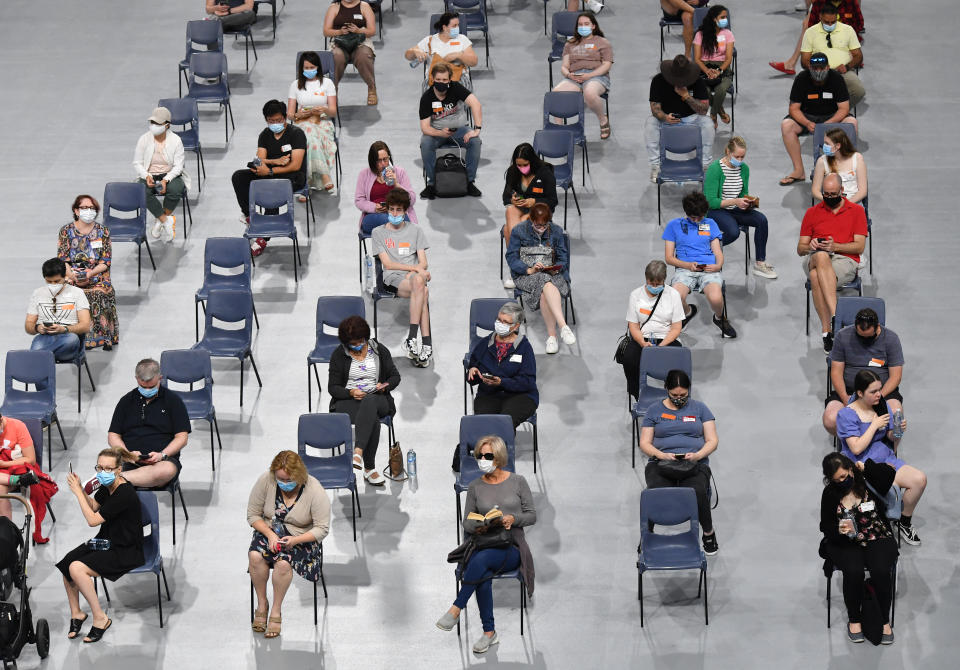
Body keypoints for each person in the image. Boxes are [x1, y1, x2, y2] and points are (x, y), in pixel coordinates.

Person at [435, 435, 536, 655]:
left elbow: (531, 515)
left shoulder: (518, 481)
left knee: (479, 563)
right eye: (480, 456)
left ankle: (456, 609)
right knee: (482, 568)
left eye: (488, 456)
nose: (483, 459)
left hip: (511, 546)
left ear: (498, 457)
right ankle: (489, 633)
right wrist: (481, 524)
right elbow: (467, 521)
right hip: (485, 542)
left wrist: (512, 519)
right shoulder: (475, 486)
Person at [56, 448, 144, 643]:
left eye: (108, 469)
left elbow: (92, 520)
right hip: (106, 541)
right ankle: (77, 613)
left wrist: (78, 493)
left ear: (119, 470)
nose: (102, 472)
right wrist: (81, 488)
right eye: (99, 468)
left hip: (125, 549)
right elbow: (94, 506)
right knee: (67, 563)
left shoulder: (124, 493)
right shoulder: (107, 486)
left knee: (77, 568)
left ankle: (100, 618)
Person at [836, 370, 926, 546]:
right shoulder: (846, 414)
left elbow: (891, 437)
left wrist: (898, 429)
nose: (879, 394)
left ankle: (904, 523)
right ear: (860, 393)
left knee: (919, 480)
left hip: (885, 458)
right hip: (862, 465)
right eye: (873, 392)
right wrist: (874, 425)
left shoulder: (881, 404)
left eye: (879, 389)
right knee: (889, 488)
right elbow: (855, 448)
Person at [247, 450, 331, 638]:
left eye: (288, 480)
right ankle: (262, 603)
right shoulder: (266, 480)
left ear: (299, 476)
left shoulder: (314, 489)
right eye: (280, 479)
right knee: (255, 555)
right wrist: (269, 534)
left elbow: (322, 528)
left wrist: (295, 540)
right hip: (271, 532)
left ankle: (276, 611)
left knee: (283, 564)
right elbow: (252, 515)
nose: (284, 484)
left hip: (302, 537)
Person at [638, 369, 719, 555]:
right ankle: (647, 533)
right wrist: (662, 455)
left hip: (695, 463)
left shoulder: (700, 408)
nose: (679, 398)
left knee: (697, 491)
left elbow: (712, 440)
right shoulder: (654, 410)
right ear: (666, 389)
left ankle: (708, 532)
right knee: (655, 492)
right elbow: (645, 443)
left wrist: (698, 455)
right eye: (674, 395)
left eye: (683, 395)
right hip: (661, 462)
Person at [819, 452, 897, 644]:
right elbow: (825, 526)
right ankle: (854, 619)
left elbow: (889, 474)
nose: (842, 481)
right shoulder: (830, 493)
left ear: (850, 469)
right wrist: (838, 529)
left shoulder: (865, 479)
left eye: (844, 476)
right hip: (846, 541)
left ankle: (884, 620)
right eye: (837, 480)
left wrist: (866, 467)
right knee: (853, 572)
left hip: (876, 534)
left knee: (880, 570)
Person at [796, 172, 867, 352]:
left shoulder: (857, 212)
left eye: (833, 194)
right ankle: (837, 315)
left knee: (815, 276)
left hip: (845, 259)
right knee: (820, 257)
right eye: (825, 194)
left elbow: (859, 247)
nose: (829, 198)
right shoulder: (812, 213)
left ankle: (826, 332)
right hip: (814, 256)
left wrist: (835, 246)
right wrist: (810, 246)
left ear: (842, 191)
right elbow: (800, 249)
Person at [327, 316, 401, 485]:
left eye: (360, 341)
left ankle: (358, 451)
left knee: (370, 402)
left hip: (379, 398)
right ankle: (369, 469)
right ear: (346, 342)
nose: (358, 346)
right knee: (371, 417)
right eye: (353, 343)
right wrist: (351, 392)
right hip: (349, 401)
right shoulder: (339, 354)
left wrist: (385, 386)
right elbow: (333, 388)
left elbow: (395, 376)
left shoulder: (379, 350)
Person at [231, 100, 307, 256]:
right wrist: (274, 162)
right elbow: (260, 160)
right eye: (271, 121)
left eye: (278, 120)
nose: (275, 123)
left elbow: (296, 165)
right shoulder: (265, 135)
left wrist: (271, 172)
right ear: (266, 120)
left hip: (293, 176)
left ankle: (263, 237)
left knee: (271, 188)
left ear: (285, 117)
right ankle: (250, 217)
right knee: (239, 177)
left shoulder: (296, 134)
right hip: (269, 172)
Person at [106, 359, 191, 490]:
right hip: (130, 462)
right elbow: (113, 435)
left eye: (151, 387)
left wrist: (162, 454)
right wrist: (128, 455)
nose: (147, 390)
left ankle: (116, 480)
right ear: (136, 379)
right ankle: (121, 479)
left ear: (160, 378)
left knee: (166, 470)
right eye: (143, 386)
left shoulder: (173, 401)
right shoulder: (126, 401)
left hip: (163, 462)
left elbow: (182, 437)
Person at [663, 192, 737, 338]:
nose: (697, 220)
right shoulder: (673, 226)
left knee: (716, 298)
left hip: (709, 269)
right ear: (686, 212)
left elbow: (718, 252)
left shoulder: (710, 224)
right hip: (685, 269)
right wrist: (687, 265)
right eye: (693, 217)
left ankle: (719, 318)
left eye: (700, 217)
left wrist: (718, 266)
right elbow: (669, 258)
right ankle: (688, 312)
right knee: (675, 297)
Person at [505, 203, 577, 354]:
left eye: (545, 225)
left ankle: (552, 336)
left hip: (553, 275)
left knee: (545, 287)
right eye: (538, 225)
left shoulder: (556, 231)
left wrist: (552, 268)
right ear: (531, 220)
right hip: (527, 276)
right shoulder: (519, 231)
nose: (542, 228)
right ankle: (563, 326)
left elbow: (563, 259)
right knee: (543, 281)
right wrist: (529, 269)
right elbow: (511, 258)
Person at [779, 52, 857, 186]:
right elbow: (794, 108)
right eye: (815, 68)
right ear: (810, 67)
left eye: (822, 68)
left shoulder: (836, 78)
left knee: (852, 123)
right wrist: (807, 122)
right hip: (808, 118)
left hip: (832, 117)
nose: (818, 71)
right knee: (787, 125)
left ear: (828, 67)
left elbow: (844, 108)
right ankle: (799, 171)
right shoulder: (802, 79)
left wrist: (828, 124)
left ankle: (844, 170)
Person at [704, 137, 776, 279]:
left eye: (743, 157)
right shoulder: (715, 169)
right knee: (733, 232)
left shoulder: (744, 169)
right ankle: (708, 250)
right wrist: (735, 201)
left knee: (762, 220)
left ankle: (760, 263)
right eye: (737, 156)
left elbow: (743, 193)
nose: (740, 160)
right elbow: (710, 202)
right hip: (717, 210)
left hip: (735, 208)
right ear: (728, 152)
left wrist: (747, 202)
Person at [823, 308, 903, 435]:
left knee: (896, 422)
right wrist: (845, 398)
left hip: (881, 393)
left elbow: (896, 377)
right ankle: (851, 443)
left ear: (877, 327)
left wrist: (877, 396)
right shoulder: (842, 336)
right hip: (850, 392)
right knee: (830, 419)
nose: (864, 341)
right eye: (861, 336)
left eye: (869, 337)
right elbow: (836, 372)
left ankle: (888, 452)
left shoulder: (891, 339)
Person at [371, 206, 433, 367]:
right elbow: (388, 264)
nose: (394, 213)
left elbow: (423, 262)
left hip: (413, 277)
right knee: (423, 290)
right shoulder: (378, 232)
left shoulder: (416, 230)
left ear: (406, 211)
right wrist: (416, 269)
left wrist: (419, 270)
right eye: (391, 209)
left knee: (420, 285)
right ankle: (426, 344)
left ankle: (412, 339)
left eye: (399, 210)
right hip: (392, 278)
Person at [57, 195, 119, 351]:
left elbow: (105, 261)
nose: (89, 211)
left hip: (96, 274)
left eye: (92, 208)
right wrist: (73, 276)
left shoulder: (103, 231)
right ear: (76, 211)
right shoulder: (66, 231)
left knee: (96, 294)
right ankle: (72, 336)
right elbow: (63, 260)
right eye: (84, 208)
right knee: (67, 291)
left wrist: (90, 274)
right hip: (72, 275)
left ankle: (101, 337)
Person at [466, 302, 538, 431]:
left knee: (505, 424)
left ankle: (503, 451)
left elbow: (528, 381)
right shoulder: (484, 344)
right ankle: (488, 451)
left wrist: (502, 382)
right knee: (484, 425)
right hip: (489, 395)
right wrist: (473, 373)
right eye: (499, 320)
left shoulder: (524, 347)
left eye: (505, 322)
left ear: (516, 326)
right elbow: (472, 373)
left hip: (520, 396)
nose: (500, 324)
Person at [620, 260, 685, 400]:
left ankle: (673, 396)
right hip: (642, 339)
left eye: (658, 283)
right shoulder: (635, 295)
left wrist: (661, 347)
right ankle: (638, 395)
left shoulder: (673, 295)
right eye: (651, 283)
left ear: (664, 280)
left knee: (679, 362)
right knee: (629, 359)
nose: (654, 286)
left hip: (667, 339)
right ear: (646, 279)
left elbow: (676, 327)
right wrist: (643, 344)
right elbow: (634, 326)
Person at [418, 62, 483, 199]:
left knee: (475, 142)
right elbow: (425, 127)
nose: (442, 83)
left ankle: (469, 181)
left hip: (459, 129)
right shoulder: (427, 98)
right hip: (437, 132)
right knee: (426, 143)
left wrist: (476, 129)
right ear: (433, 79)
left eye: (445, 80)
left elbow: (475, 104)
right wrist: (440, 133)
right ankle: (432, 184)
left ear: (450, 80)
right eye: (438, 80)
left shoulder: (456, 88)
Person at [646, 55, 714, 183]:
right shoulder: (658, 81)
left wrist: (686, 96)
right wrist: (665, 117)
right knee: (650, 123)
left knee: (708, 123)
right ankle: (655, 166)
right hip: (666, 120)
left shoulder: (697, 81)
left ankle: (705, 165)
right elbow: (655, 108)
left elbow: (704, 110)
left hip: (692, 119)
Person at [553, 10, 613, 139]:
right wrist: (569, 75)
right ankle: (560, 129)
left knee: (589, 93)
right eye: (580, 24)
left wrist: (589, 76)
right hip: (575, 76)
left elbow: (607, 65)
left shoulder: (603, 42)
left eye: (586, 24)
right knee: (556, 93)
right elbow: (564, 66)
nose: (583, 27)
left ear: (593, 26)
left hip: (596, 75)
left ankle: (603, 120)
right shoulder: (570, 43)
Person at [133, 107, 189, 243]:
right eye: (152, 123)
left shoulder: (176, 141)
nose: (154, 126)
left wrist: (166, 179)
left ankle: (159, 222)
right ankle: (165, 220)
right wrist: (146, 175)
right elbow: (137, 163)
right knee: (141, 192)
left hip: (170, 174)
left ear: (167, 125)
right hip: (149, 174)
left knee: (176, 190)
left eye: (158, 124)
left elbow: (178, 166)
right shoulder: (144, 139)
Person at [287, 51, 338, 195]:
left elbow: (333, 111)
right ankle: (324, 175)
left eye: (312, 67)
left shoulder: (327, 83)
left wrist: (324, 109)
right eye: (306, 68)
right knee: (307, 132)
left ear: (318, 67)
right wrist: (299, 114)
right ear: (301, 69)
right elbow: (290, 114)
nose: (309, 71)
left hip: (322, 122)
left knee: (309, 136)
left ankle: (306, 182)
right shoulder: (295, 85)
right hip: (302, 122)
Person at [770, 0, 864, 76]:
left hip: (843, 40)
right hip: (822, 38)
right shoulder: (819, 4)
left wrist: (849, 40)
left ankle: (791, 63)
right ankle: (791, 63)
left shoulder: (851, 4)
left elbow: (859, 24)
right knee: (807, 25)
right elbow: (811, 28)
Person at [25, 257, 91, 363]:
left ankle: (34, 359)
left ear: (65, 277)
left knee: (71, 340)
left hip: (69, 335)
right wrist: (37, 328)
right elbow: (28, 325)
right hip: (45, 337)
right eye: (49, 281)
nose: (53, 284)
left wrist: (64, 329)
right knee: (37, 343)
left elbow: (86, 325)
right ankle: (38, 358)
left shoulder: (77, 293)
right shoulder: (37, 293)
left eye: (57, 281)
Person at [798, 3, 864, 109]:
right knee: (800, 89)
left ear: (837, 17)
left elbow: (858, 56)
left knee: (858, 90)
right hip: (817, 72)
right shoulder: (810, 32)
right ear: (820, 17)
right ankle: (824, 113)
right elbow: (804, 60)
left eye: (833, 22)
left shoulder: (848, 30)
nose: (830, 25)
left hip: (843, 72)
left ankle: (837, 112)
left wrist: (846, 67)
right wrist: (817, 68)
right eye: (826, 22)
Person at [501, 143, 557, 258]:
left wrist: (534, 202)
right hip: (520, 208)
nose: (522, 168)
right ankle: (524, 263)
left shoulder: (545, 173)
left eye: (525, 165)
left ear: (532, 161)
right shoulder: (513, 172)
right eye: (518, 165)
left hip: (539, 211)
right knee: (510, 210)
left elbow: (553, 201)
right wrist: (512, 200)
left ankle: (518, 266)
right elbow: (505, 196)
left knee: (508, 230)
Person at [354, 140, 419, 234]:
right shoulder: (364, 174)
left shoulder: (400, 172)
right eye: (379, 161)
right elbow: (359, 201)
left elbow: (412, 200)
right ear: (372, 161)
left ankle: (392, 247)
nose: (383, 164)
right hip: (374, 215)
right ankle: (398, 245)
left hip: (397, 213)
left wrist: (396, 184)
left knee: (399, 221)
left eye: (385, 159)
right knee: (395, 222)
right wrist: (374, 207)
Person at [322, 0, 378, 105]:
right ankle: (333, 91)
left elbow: (372, 31)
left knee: (364, 55)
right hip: (339, 43)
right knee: (335, 56)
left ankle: (371, 88)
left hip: (361, 42)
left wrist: (358, 30)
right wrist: (340, 32)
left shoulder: (364, 6)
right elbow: (326, 31)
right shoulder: (334, 7)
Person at [404, 11, 478, 89]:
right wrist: (415, 52)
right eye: (454, 26)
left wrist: (459, 55)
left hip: (458, 81)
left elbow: (474, 62)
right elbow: (408, 56)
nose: (457, 28)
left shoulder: (462, 39)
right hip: (434, 82)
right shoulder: (430, 40)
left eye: (458, 25)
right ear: (444, 27)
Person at [692, 4, 734, 128]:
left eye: (726, 17)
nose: (725, 20)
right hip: (704, 68)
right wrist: (707, 71)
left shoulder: (728, 34)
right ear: (714, 19)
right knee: (706, 91)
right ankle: (720, 111)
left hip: (723, 68)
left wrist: (719, 71)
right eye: (722, 17)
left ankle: (713, 115)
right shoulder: (700, 35)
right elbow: (697, 59)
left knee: (721, 90)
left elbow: (728, 59)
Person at [812, 127, 866, 204]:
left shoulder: (857, 158)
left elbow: (862, 191)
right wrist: (829, 201)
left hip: (853, 203)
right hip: (830, 202)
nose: (824, 146)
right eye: (824, 143)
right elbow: (815, 191)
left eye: (827, 143)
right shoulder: (822, 161)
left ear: (837, 146)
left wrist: (846, 204)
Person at [0, 414, 39, 520]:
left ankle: (6, 532)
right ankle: (19, 481)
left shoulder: (18, 426)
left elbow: (31, 459)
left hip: (11, 469)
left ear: (1, 420)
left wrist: (4, 464)